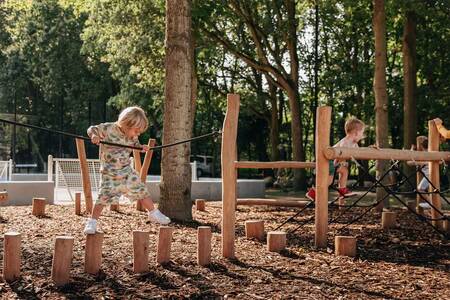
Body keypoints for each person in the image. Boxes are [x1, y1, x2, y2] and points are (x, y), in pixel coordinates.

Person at [84, 106, 170, 234]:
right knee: (103, 197)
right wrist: (94, 136)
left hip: (126, 171)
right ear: (127, 124)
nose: (138, 134)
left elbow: (135, 145)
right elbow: (91, 129)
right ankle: (92, 222)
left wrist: (141, 147)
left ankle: (153, 212)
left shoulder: (132, 137)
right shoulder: (108, 128)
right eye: (136, 131)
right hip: (110, 173)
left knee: (141, 189)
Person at [306, 116, 366, 201]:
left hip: (333, 162)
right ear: (356, 133)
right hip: (328, 161)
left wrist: (371, 148)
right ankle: (312, 192)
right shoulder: (345, 141)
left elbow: (359, 152)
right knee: (329, 181)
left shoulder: (354, 144)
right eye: (361, 133)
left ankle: (342, 191)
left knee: (344, 171)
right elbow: (340, 153)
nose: (362, 136)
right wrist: (341, 162)